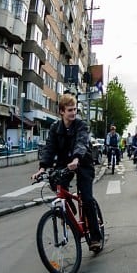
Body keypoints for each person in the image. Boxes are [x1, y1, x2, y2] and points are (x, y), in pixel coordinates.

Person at [32, 94, 104, 251]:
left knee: (86, 198)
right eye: (70, 110)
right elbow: (49, 148)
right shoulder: (54, 128)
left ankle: (95, 238)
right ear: (61, 112)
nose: (73, 113)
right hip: (65, 163)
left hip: (83, 162)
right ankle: (69, 212)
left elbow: (82, 142)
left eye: (75, 109)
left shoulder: (81, 125)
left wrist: (77, 158)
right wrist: (42, 168)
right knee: (55, 182)